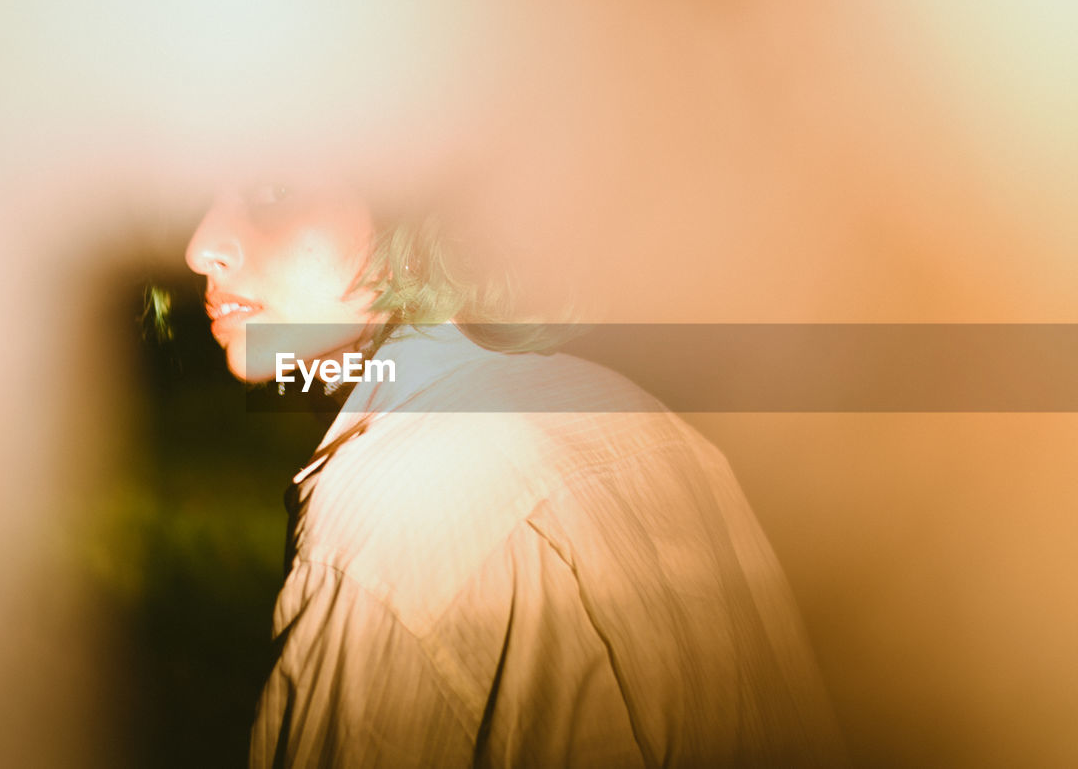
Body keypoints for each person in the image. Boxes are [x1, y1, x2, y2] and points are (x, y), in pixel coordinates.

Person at [185, 171, 845, 767]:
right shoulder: (635, 415)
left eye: (273, 188)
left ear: (415, 216)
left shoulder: (399, 501)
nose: (199, 246)